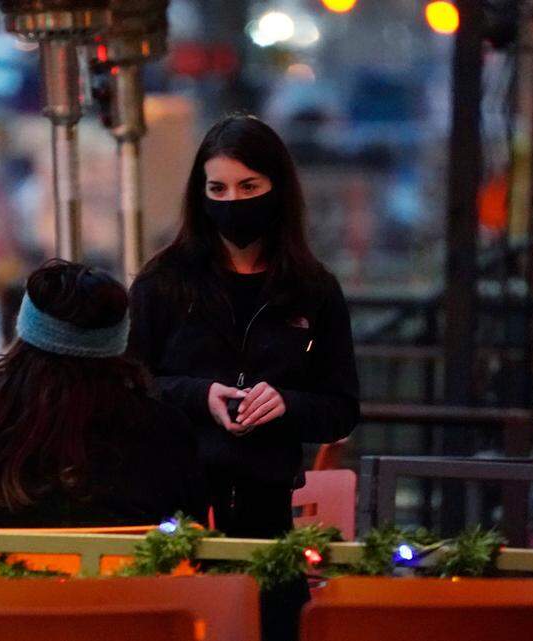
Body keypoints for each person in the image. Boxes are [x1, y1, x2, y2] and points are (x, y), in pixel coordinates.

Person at [128, 113, 360, 540]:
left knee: (274, 605)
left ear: (278, 189)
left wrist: (285, 404)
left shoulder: (313, 288)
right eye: (217, 189)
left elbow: (341, 409)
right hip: (173, 508)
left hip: (269, 510)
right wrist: (201, 396)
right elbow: (127, 386)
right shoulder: (163, 281)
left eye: (248, 187)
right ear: (201, 196)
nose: (232, 201)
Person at [0, 260, 206, 528]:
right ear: (119, 343)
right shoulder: (163, 428)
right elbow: (190, 531)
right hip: (135, 605)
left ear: (24, 332)